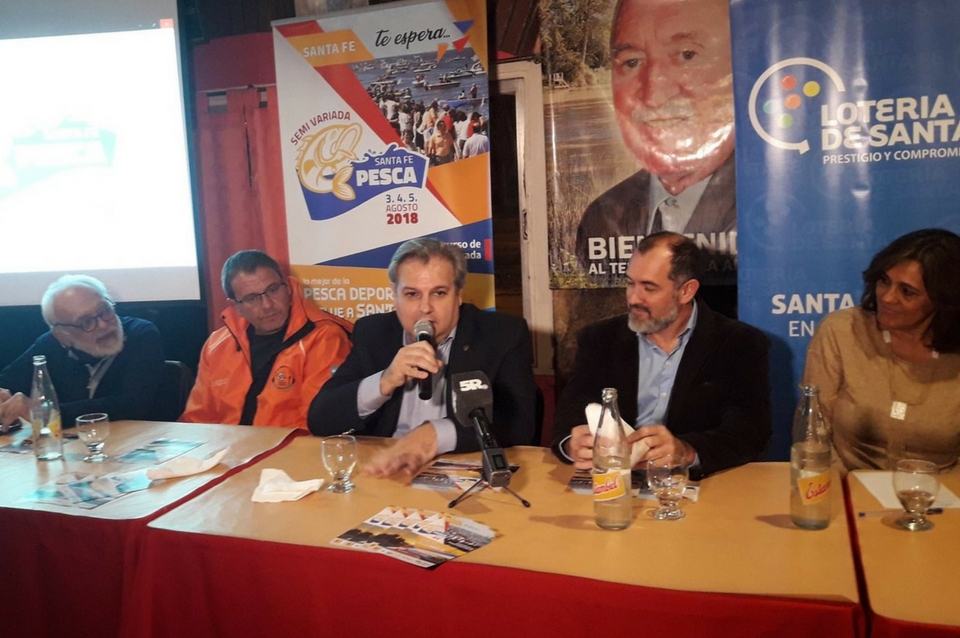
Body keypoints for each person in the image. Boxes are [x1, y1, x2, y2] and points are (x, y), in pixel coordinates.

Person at [309, 237, 537, 478]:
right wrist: (384, 381)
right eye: (412, 294)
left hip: (463, 471)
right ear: (394, 295)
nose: (425, 308)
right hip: (386, 470)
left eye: (439, 293)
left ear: (458, 295)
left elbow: (520, 424)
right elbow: (321, 419)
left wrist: (434, 435)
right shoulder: (373, 333)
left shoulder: (501, 334)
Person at [553, 232, 770, 479]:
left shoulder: (739, 344)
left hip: (696, 484)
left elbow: (750, 433)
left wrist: (687, 451)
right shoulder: (600, 339)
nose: (633, 298)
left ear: (686, 291)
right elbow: (569, 414)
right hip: (612, 482)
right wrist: (571, 443)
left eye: (649, 287)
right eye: (630, 283)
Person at [576, 0, 736, 274]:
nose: (653, 95)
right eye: (632, 62)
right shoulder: (602, 218)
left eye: (687, 55)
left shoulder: (774, 210)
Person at [804, 228, 960, 472]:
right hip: (849, 486)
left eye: (907, 291)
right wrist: (843, 489)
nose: (887, 298)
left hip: (942, 491)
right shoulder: (842, 330)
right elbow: (812, 430)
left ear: (943, 300)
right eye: (884, 281)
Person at [181, 250, 352, 428]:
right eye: (252, 298)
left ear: (287, 287)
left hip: (292, 445)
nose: (267, 305)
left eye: (273, 289)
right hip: (229, 444)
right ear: (236, 306)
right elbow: (197, 421)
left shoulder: (325, 337)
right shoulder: (216, 346)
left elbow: (318, 423)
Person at [0, 275, 165, 431]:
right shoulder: (50, 344)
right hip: (76, 445)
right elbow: (7, 382)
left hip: (137, 441)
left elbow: (132, 405)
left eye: (105, 311)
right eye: (86, 322)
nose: (103, 324)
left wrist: (45, 412)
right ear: (62, 336)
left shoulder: (141, 334)